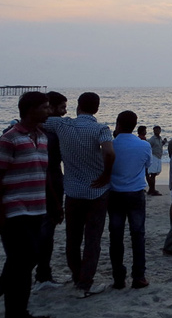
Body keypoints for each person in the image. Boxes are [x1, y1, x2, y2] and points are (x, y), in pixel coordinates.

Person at [44, 92, 114, 296]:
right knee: (93, 239)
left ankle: (77, 277)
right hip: (96, 191)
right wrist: (106, 175)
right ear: (97, 108)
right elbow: (109, 152)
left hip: (73, 190)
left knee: (72, 238)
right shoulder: (101, 128)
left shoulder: (62, 125)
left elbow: (40, 122)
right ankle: (85, 283)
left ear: (78, 106)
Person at [0, 91, 50, 317]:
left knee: (20, 263)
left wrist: (55, 205)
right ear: (31, 110)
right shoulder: (9, 139)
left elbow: (44, 173)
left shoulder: (43, 137)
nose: (48, 111)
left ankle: (17, 311)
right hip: (14, 209)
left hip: (37, 208)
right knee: (27, 256)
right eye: (45, 107)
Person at [108, 110, 151, 289]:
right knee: (138, 235)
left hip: (115, 192)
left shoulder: (110, 145)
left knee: (116, 236)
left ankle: (118, 277)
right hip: (135, 191)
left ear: (118, 124)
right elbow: (146, 165)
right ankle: (138, 276)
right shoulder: (143, 145)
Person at [35, 91, 66, 289]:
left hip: (47, 182)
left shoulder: (40, 132)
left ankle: (42, 273)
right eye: (61, 107)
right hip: (50, 182)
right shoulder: (50, 135)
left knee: (43, 230)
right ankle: (43, 275)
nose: (64, 112)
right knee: (46, 230)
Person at [147, 126, 167, 196]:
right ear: (153, 131)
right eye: (155, 130)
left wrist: (164, 142)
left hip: (158, 157)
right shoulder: (152, 139)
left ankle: (151, 190)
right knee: (153, 174)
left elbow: (160, 145)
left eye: (158, 130)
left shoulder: (159, 138)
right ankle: (152, 190)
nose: (157, 131)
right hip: (154, 156)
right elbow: (148, 147)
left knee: (154, 174)